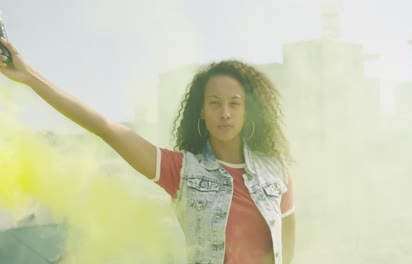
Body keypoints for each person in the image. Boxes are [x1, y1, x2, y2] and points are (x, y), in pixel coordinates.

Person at [0, 37, 295, 264]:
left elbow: (286, 245)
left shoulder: (277, 172)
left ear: (248, 111)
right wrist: (28, 76)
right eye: (215, 103)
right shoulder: (180, 170)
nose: (225, 113)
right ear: (202, 112)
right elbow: (103, 126)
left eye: (235, 103)